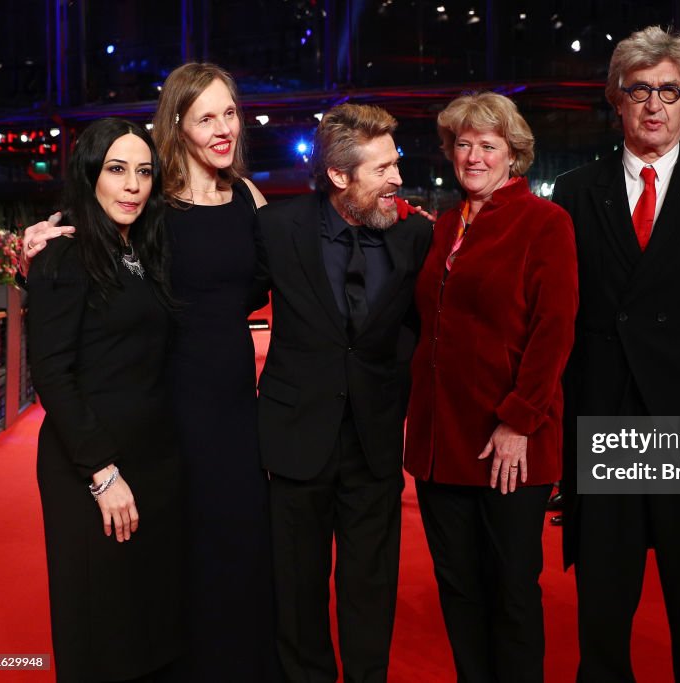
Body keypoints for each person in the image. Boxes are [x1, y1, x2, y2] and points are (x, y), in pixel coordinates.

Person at [23, 62, 278, 682]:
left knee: (234, 549)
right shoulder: (151, 206)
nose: (222, 128)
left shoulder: (249, 198)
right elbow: (83, 296)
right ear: (179, 126)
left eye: (229, 113)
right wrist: (30, 257)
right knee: (153, 573)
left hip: (228, 404)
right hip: (165, 406)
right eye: (205, 116)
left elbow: (270, 280)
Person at [551, 26, 680, 682]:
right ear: (616, 100)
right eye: (639, 90)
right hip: (609, 421)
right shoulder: (579, 192)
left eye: (669, 91)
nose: (653, 105)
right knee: (605, 614)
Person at [251, 103, 432, 683]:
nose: (397, 179)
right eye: (382, 169)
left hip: (374, 442)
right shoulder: (278, 229)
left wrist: (390, 381)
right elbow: (208, 294)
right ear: (338, 175)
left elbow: (421, 325)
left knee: (369, 587)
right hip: (297, 437)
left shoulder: (415, 234)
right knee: (298, 591)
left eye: (395, 164)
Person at [403, 92, 579, 683]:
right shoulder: (447, 222)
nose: (473, 156)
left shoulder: (545, 223)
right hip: (439, 441)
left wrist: (519, 420)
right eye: (463, 144)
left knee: (510, 591)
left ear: (514, 154)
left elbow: (554, 330)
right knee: (458, 588)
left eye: (488, 145)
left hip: (510, 443)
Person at [28, 118, 183, 681]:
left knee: (147, 622)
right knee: (102, 627)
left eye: (143, 172)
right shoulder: (61, 257)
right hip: (91, 466)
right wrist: (101, 472)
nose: (133, 186)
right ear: (90, 174)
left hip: (153, 461)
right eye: (117, 170)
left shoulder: (145, 249)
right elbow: (51, 371)